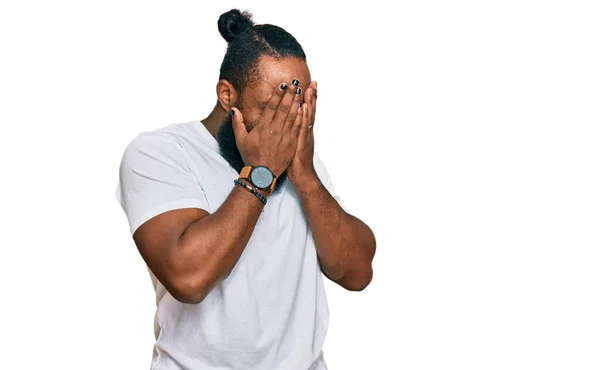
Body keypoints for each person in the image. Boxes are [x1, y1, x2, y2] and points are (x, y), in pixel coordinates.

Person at [115, 8, 376, 370]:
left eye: (298, 106)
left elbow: (358, 272)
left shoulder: (299, 163)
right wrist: (261, 173)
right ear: (227, 95)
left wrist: (306, 177)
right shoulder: (160, 153)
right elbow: (188, 278)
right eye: (274, 106)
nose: (286, 121)